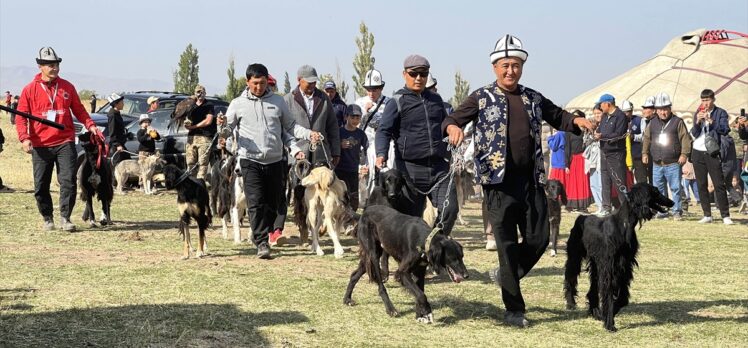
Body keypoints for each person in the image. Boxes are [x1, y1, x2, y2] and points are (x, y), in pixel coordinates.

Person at [442, 35, 593, 327]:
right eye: (504, 65)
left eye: (515, 65)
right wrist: (451, 128)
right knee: (507, 246)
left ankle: (507, 274)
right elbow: (451, 119)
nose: (510, 71)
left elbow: (558, 115)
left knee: (538, 239)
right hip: (498, 184)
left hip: (531, 181)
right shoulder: (481, 97)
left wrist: (576, 121)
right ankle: (514, 310)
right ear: (495, 67)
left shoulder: (532, 97)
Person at [224, 63, 319, 259]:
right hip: (250, 160)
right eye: (255, 83)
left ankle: (260, 232)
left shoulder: (278, 102)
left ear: (268, 81)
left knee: (274, 203)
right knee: (255, 201)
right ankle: (262, 242)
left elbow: (290, 128)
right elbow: (227, 130)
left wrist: (309, 135)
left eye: (263, 82)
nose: (259, 87)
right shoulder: (237, 104)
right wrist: (222, 131)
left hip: (276, 161)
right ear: (247, 82)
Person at [15, 46, 101, 231]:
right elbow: (21, 117)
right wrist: (24, 138)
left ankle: (65, 218)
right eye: (50, 65)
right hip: (40, 145)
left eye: (56, 64)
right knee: (41, 185)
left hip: (65, 141)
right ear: (40, 67)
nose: (54, 68)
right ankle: (47, 218)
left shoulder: (67, 87)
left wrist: (91, 126)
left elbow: (79, 109)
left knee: (68, 181)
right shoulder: (29, 90)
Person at [377, 54, 458, 235]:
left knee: (450, 209)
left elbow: (445, 124)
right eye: (414, 74)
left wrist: (452, 128)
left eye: (423, 74)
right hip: (409, 170)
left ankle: (435, 244)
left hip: (439, 167)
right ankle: (414, 257)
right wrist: (381, 153)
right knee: (410, 219)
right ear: (404, 74)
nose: (419, 78)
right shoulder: (396, 101)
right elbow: (383, 130)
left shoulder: (436, 100)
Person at [642, 92, 691, 220]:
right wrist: (645, 152)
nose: (663, 112)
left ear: (670, 108)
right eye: (660, 109)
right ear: (656, 110)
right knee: (658, 189)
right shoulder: (652, 123)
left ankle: (677, 211)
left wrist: (684, 154)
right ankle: (662, 211)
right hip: (657, 162)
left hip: (673, 162)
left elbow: (685, 138)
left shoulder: (677, 122)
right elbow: (647, 138)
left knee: (675, 188)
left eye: (665, 109)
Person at [690, 89, 733, 225]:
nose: (705, 103)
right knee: (701, 183)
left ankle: (725, 215)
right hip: (698, 150)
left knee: (719, 183)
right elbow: (695, 134)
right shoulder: (698, 112)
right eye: (703, 100)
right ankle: (707, 214)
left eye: (707, 100)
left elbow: (725, 129)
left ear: (713, 100)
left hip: (712, 151)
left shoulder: (720, 113)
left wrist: (711, 121)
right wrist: (698, 121)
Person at [284, 65, 340, 167]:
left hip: (320, 155)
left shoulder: (324, 98)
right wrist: (294, 150)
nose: (312, 85)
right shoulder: (288, 100)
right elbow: (284, 129)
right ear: (299, 80)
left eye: (314, 82)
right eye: (309, 82)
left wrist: (336, 151)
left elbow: (333, 126)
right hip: (298, 156)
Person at [355, 67, 392, 197]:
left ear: (381, 88)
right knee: (367, 178)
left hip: (385, 148)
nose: (371, 93)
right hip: (367, 147)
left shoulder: (389, 103)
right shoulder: (359, 103)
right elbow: (354, 126)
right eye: (368, 89)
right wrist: (365, 112)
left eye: (374, 89)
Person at [595, 94, 628, 216]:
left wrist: (602, 136)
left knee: (619, 182)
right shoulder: (604, 117)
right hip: (604, 152)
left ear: (608, 104)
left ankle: (625, 207)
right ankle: (606, 207)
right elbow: (601, 131)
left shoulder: (620, 116)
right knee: (605, 181)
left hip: (616, 154)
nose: (600, 107)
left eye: (601, 104)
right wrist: (597, 133)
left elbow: (619, 134)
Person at [336, 104, 368, 211]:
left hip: (353, 169)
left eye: (357, 117)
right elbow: (330, 147)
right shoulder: (339, 132)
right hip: (339, 169)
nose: (355, 120)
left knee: (354, 197)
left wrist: (365, 164)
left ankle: (351, 220)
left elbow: (368, 149)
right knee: (340, 195)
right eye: (352, 117)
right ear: (346, 117)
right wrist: (339, 145)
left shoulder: (361, 134)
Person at [185, 85, 216, 179]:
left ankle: (200, 185)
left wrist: (194, 126)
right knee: (190, 163)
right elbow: (186, 119)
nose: (200, 94)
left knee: (203, 163)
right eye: (198, 92)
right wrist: (186, 125)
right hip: (191, 138)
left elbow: (208, 120)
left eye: (202, 92)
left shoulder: (208, 105)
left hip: (204, 138)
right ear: (195, 93)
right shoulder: (190, 105)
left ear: (205, 93)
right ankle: (191, 184)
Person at [565, 110, 593, 212]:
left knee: (582, 182)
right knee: (574, 183)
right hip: (573, 160)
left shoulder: (585, 131)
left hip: (583, 158)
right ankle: (572, 205)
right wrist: (566, 164)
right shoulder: (568, 132)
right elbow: (567, 147)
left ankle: (583, 206)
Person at [585, 104, 604, 213]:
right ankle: (599, 205)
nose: (597, 115)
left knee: (602, 183)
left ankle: (605, 205)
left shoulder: (606, 124)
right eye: (595, 113)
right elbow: (585, 141)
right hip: (592, 158)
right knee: (593, 183)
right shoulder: (591, 126)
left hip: (602, 156)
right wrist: (592, 135)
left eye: (599, 113)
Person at [632, 96, 655, 184]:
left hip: (654, 155)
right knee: (641, 180)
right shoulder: (644, 121)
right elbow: (643, 136)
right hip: (643, 154)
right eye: (643, 108)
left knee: (654, 180)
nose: (644, 111)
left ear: (654, 110)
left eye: (646, 108)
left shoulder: (658, 122)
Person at [107, 93, 130, 166]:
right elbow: (112, 132)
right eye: (122, 102)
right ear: (116, 104)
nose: (123, 104)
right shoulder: (113, 115)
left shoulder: (117, 114)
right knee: (118, 166)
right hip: (117, 146)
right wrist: (117, 145)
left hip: (121, 144)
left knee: (127, 161)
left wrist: (126, 135)